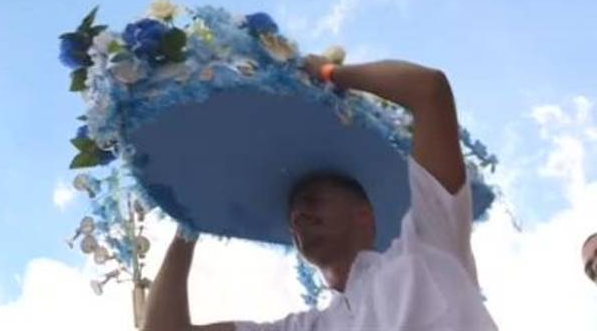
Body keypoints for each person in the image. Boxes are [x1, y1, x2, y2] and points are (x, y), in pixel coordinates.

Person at [141, 58, 498, 331]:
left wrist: (329, 72)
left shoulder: (428, 245)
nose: (298, 216)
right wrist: (189, 224)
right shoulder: (309, 326)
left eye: (312, 200)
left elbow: (429, 90)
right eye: (293, 214)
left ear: (365, 213)